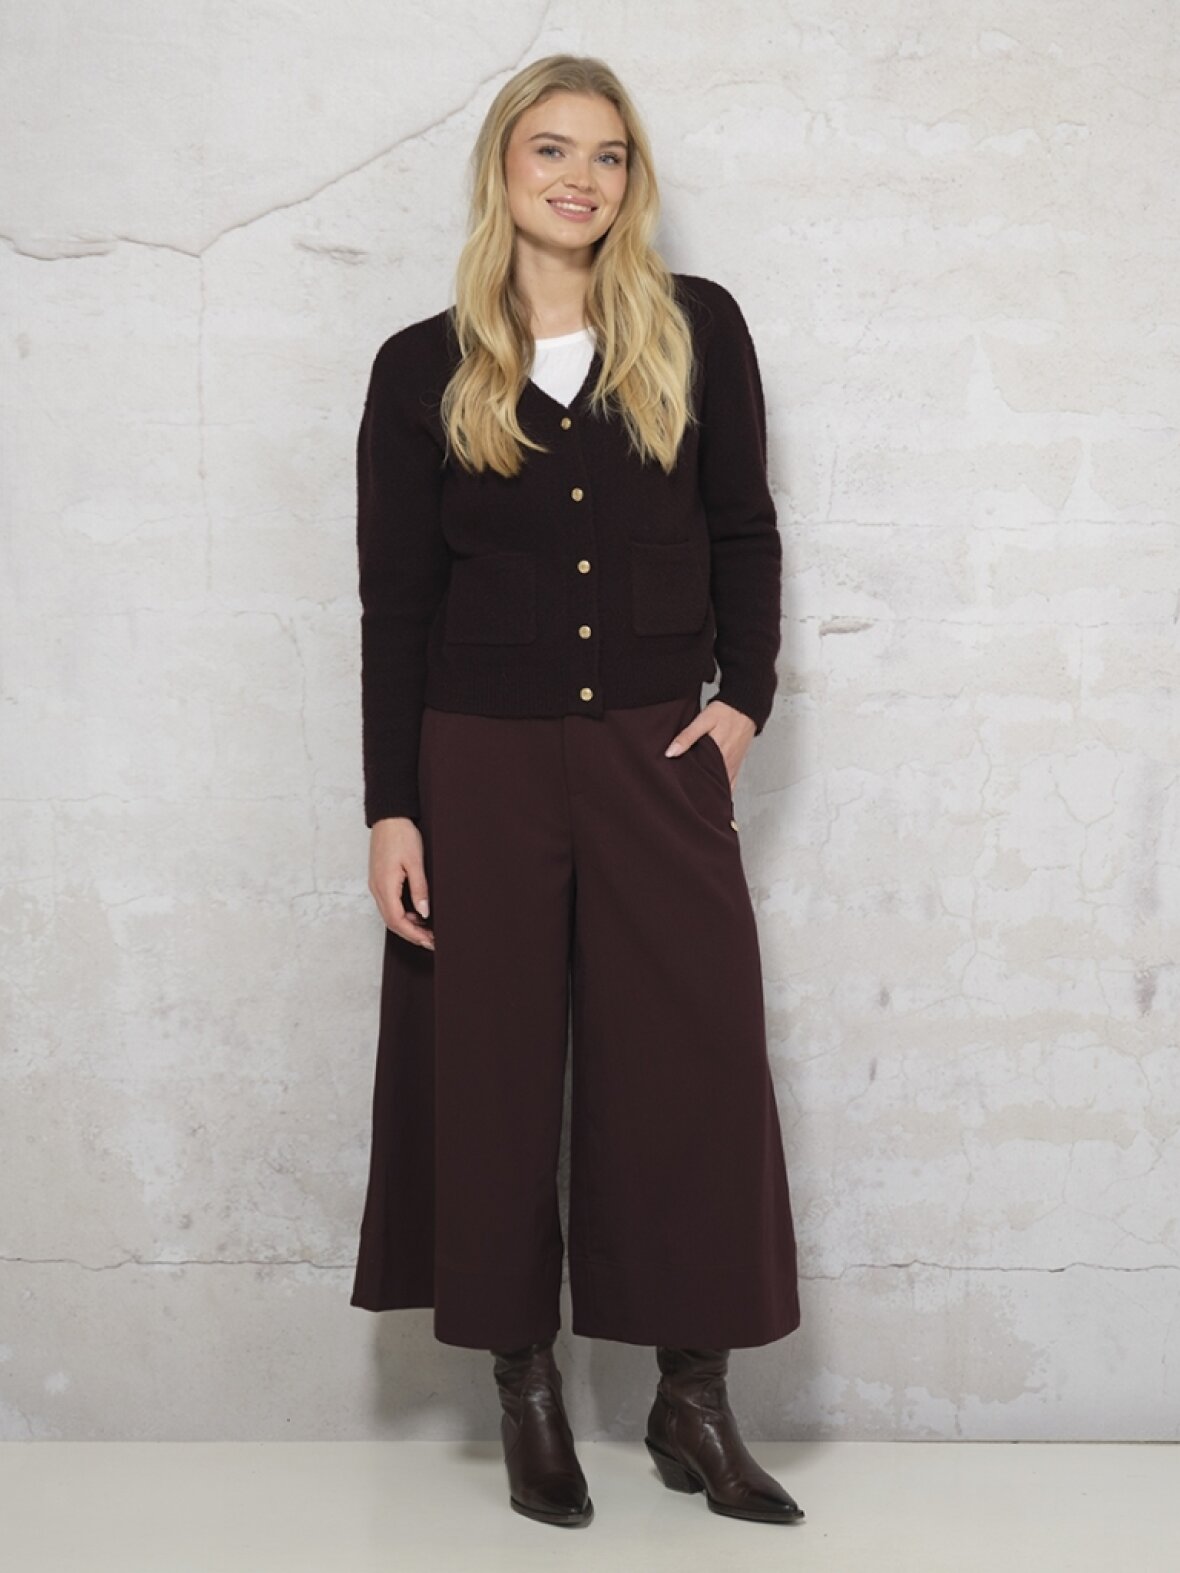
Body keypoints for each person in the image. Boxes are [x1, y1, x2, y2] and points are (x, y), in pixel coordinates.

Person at [348, 53, 805, 1530]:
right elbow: (397, 600)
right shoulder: (420, 365)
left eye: (607, 156)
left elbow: (743, 528)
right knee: (483, 1067)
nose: (580, 178)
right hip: (475, 760)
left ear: (631, 180)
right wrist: (393, 805)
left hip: (657, 754)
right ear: (503, 166)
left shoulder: (696, 327)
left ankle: (693, 1396)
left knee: (691, 1060)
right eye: (551, 149)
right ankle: (524, 1387)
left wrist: (742, 701)